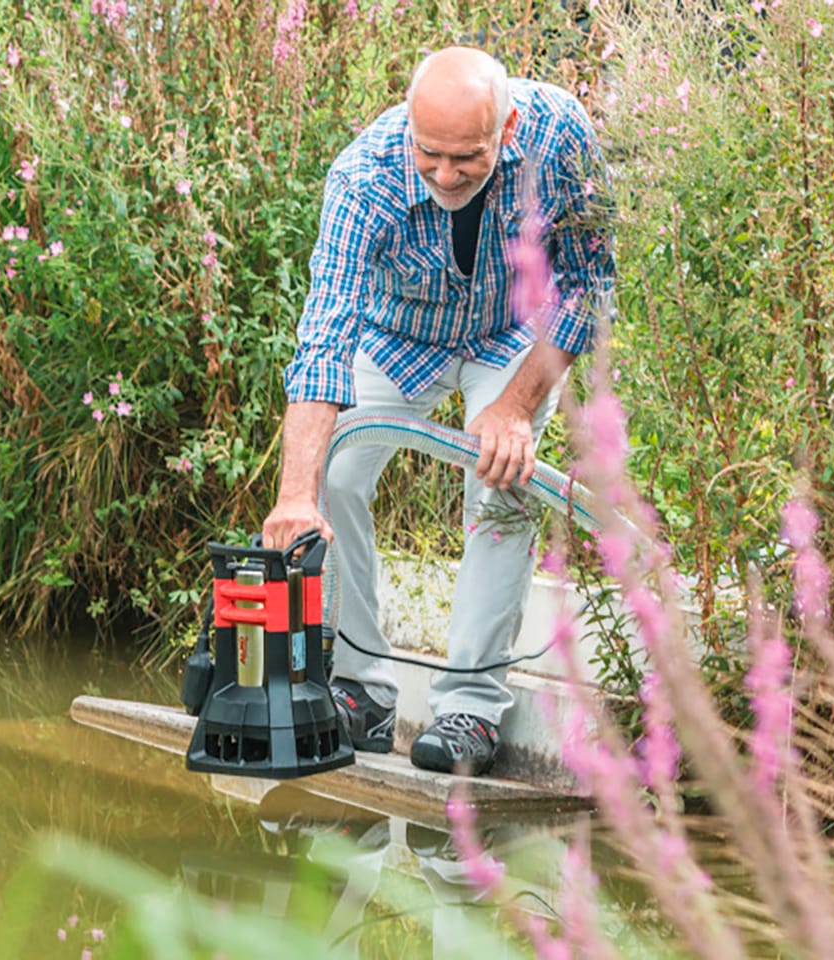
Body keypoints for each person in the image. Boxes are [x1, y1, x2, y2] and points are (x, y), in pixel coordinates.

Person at [262, 46, 614, 776]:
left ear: (507, 127)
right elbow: (325, 338)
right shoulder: (364, 178)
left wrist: (516, 407)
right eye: (431, 155)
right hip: (400, 336)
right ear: (408, 128)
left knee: (502, 484)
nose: (447, 174)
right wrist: (295, 495)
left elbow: (586, 288)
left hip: (513, 334)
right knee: (332, 471)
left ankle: (471, 709)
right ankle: (362, 687)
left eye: (468, 158)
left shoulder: (560, 136)